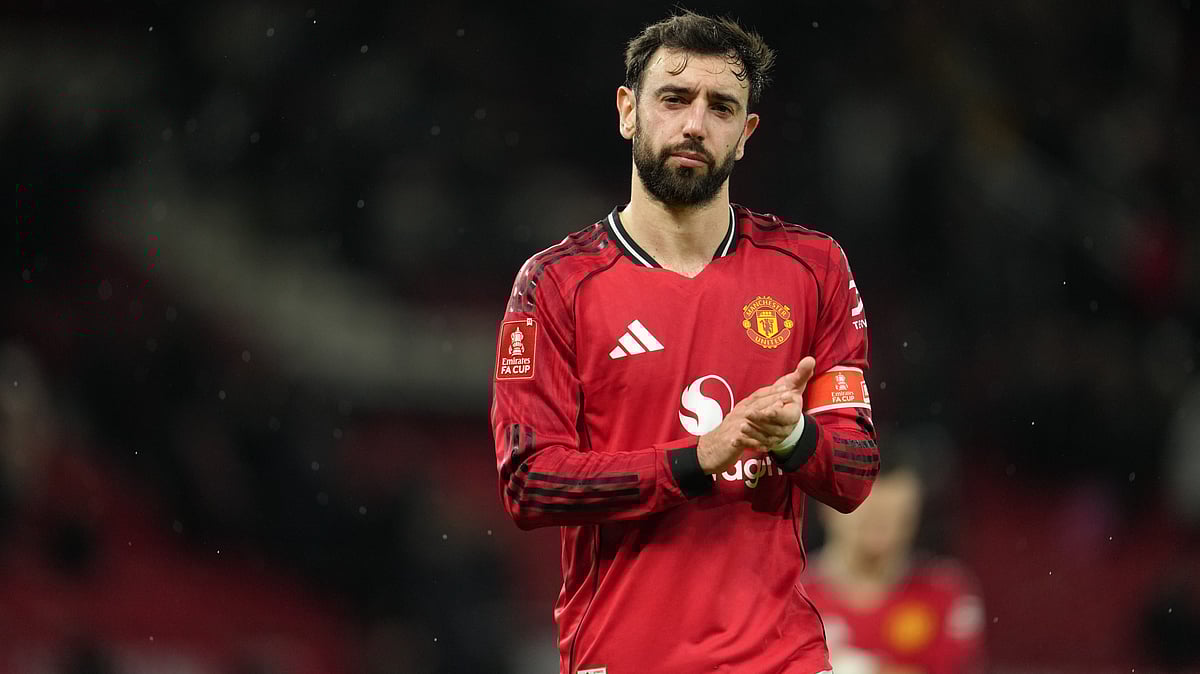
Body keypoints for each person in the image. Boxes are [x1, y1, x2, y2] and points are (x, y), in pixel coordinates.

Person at [491, 11, 879, 673]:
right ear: (627, 112)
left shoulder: (813, 268)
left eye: (722, 106)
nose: (696, 123)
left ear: (746, 133)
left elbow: (853, 472)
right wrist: (698, 460)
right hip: (626, 655)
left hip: (779, 658)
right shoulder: (557, 284)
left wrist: (789, 438)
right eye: (674, 98)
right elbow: (530, 481)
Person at [803, 451, 985, 673]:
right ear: (826, 507)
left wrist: (853, 668)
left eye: (894, 516)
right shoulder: (789, 595)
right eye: (867, 513)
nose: (880, 529)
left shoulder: (945, 592)